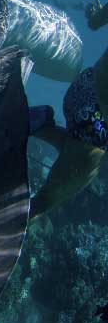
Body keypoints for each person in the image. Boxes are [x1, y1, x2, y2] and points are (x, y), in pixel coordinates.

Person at [29, 57, 108, 218]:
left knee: (76, 149)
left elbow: (94, 29)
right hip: (99, 117)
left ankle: (41, 125)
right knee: (44, 202)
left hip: (87, 85)